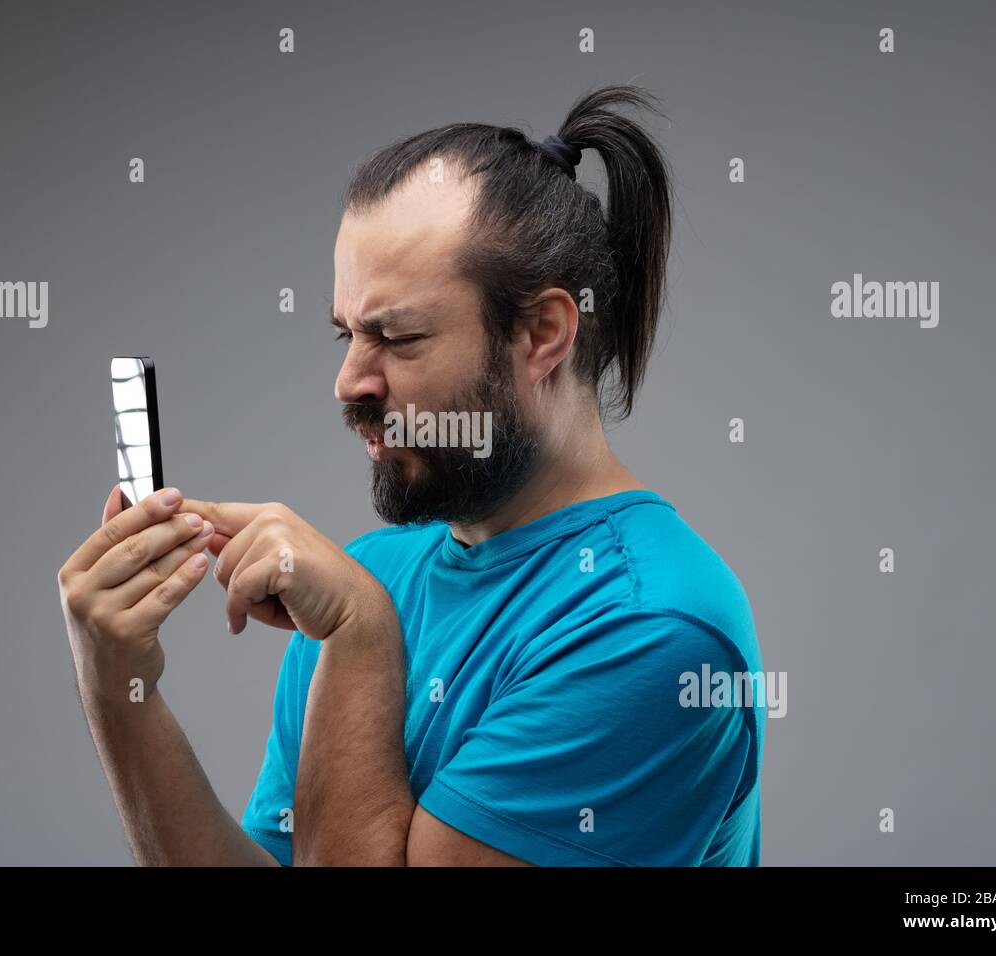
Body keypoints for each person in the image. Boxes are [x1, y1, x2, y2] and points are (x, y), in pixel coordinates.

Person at [57, 84, 765, 866]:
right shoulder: (368, 575)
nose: (349, 382)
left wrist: (362, 638)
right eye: (346, 335)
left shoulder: (650, 632)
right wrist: (121, 695)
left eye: (396, 337)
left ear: (543, 334)